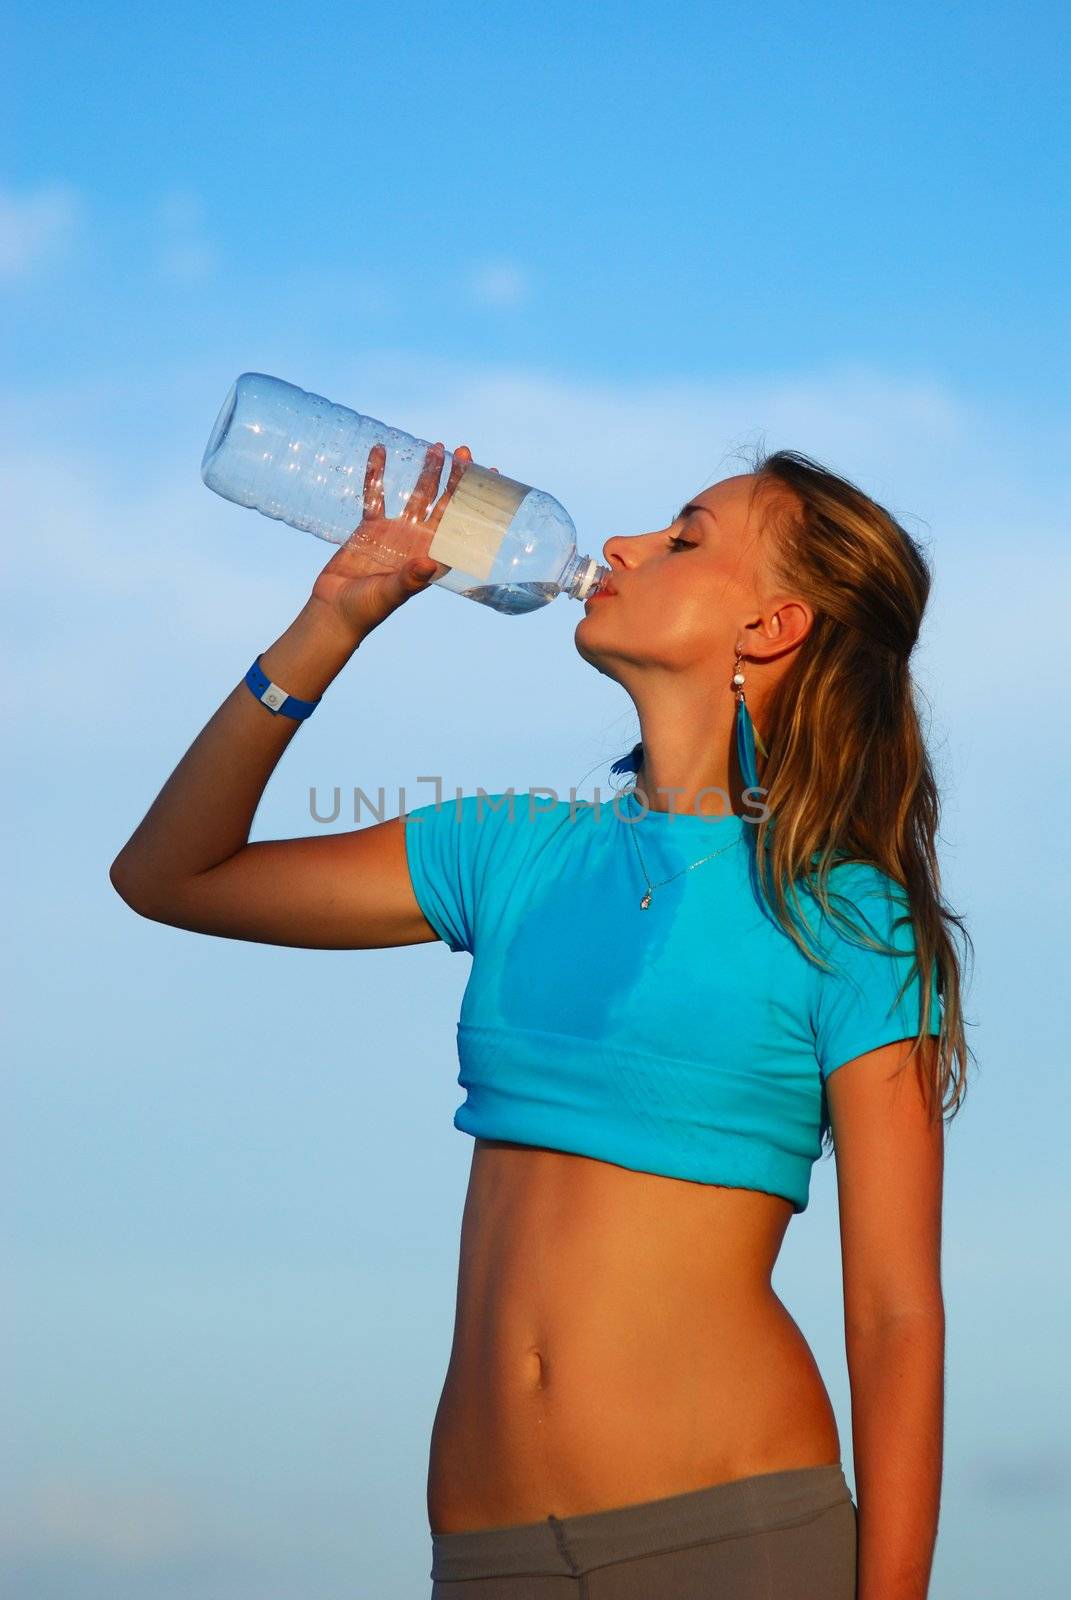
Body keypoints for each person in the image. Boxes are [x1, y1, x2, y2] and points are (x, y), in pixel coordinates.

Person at [110, 437, 972, 1599]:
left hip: (734, 1536)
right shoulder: (507, 849)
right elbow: (170, 876)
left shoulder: (850, 918)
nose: (619, 545)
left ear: (771, 629)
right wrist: (333, 623)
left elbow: (894, 1306)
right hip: (491, 1555)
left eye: (684, 539)